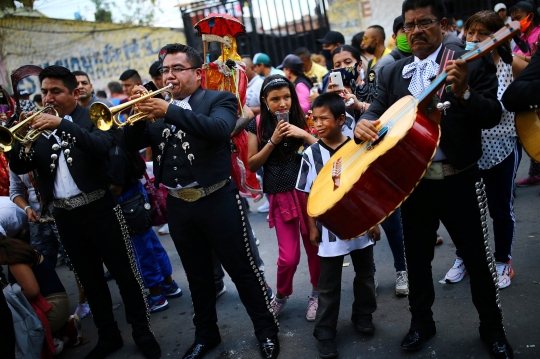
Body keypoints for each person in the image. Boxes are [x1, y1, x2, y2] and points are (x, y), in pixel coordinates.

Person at [354, 0, 513, 357]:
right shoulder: (394, 73)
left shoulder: (468, 62)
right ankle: (420, 324)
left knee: (477, 259)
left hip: (461, 178)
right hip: (413, 186)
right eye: (409, 26)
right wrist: (360, 125)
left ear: (442, 24)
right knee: (417, 260)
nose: (416, 31)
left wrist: (464, 94)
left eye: (424, 23)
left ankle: (493, 329)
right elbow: (376, 111)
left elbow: (492, 115)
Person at [123, 43, 280, 359]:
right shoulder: (157, 107)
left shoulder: (218, 99)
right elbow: (129, 144)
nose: (169, 75)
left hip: (217, 199)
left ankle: (266, 330)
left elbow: (219, 130)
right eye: (166, 69)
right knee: (197, 276)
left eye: (177, 69)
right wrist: (136, 113)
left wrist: (168, 110)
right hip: (180, 205)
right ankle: (206, 335)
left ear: (197, 73)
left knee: (243, 270)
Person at [9, 65, 160, 359]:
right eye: (44, 92)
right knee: (90, 281)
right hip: (65, 217)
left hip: (101, 209)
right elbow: (20, 166)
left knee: (126, 275)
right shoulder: (37, 127)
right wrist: (21, 133)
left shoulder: (93, 116)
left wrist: (60, 125)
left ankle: (143, 332)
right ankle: (109, 337)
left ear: (74, 93)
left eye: (56, 91)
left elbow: (102, 147)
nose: (48, 98)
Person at [444, 10, 528, 288]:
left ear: (498, 36)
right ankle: (464, 258)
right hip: (468, 150)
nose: (475, 38)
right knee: (465, 211)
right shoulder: (461, 64)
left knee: (500, 209)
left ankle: (503, 261)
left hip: (503, 147)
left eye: (483, 33)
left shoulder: (512, 65)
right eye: (471, 32)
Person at [296, 93, 379, 359]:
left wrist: (375, 222)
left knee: (365, 275)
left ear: (341, 119)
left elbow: (368, 188)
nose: (317, 124)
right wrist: (312, 227)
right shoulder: (310, 154)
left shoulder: (357, 146)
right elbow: (307, 194)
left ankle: (363, 316)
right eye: (314, 118)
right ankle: (324, 332)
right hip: (328, 229)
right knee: (328, 284)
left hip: (360, 223)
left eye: (324, 118)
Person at [328, 44, 409, 296]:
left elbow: (387, 116)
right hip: (350, 166)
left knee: (391, 221)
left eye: (348, 61)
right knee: (361, 223)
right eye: (337, 64)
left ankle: (401, 270)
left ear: (359, 65)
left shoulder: (374, 84)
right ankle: (368, 273)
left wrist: (358, 104)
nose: (343, 67)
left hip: (377, 163)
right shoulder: (329, 94)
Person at [247, 75, 320, 321]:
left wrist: (304, 134)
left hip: (308, 192)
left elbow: (324, 150)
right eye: (275, 99)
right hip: (280, 195)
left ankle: (317, 294)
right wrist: (272, 141)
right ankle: (281, 295)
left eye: (286, 97)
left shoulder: (306, 119)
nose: (282, 103)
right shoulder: (256, 124)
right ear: (265, 102)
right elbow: (252, 162)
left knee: (315, 247)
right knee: (288, 257)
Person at [109, 131, 182, 313]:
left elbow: (116, 189)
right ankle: (169, 284)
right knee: (151, 243)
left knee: (142, 250)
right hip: (136, 199)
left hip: (128, 203)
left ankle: (157, 296)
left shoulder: (114, 152)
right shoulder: (124, 145)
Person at [1, 235, 83, 355]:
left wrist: (8, 298)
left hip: (52, 308)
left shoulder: (15, 260)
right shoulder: (19, 250)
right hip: (58, 302)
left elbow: (32, 291)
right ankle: (64, 328)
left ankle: (51, 340)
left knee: (11, 322)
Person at [510, 1, 540, 187]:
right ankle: (535, 171)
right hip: (524, 91)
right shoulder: (519, 38)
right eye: (513, 20)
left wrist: (521, 58)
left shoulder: (538, 34)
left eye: (519, 18)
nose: (516, 23)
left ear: (530, 16)